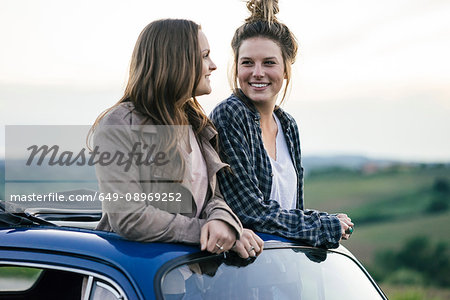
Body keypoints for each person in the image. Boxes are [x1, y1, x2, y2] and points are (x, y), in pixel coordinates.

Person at [90, 19, 263, 258]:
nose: (212, 66)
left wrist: (225, 222)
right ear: (177, 61)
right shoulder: (120, 124)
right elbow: (128, 216)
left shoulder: (198, 124)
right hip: (134, 278)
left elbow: (214, 198)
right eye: (204, 56)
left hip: (186, 279)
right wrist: (206, 231)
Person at [210, 0, 354, 249]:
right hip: (241, 271)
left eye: (269, 62)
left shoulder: (287, 125)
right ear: (236, 68)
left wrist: (320, 219)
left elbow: (289, 209)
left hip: (283, 266)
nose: (257, 72)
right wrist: (322, 225)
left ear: (286, 69)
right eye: (247, 63)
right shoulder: (230, 115)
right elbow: (250, 212)